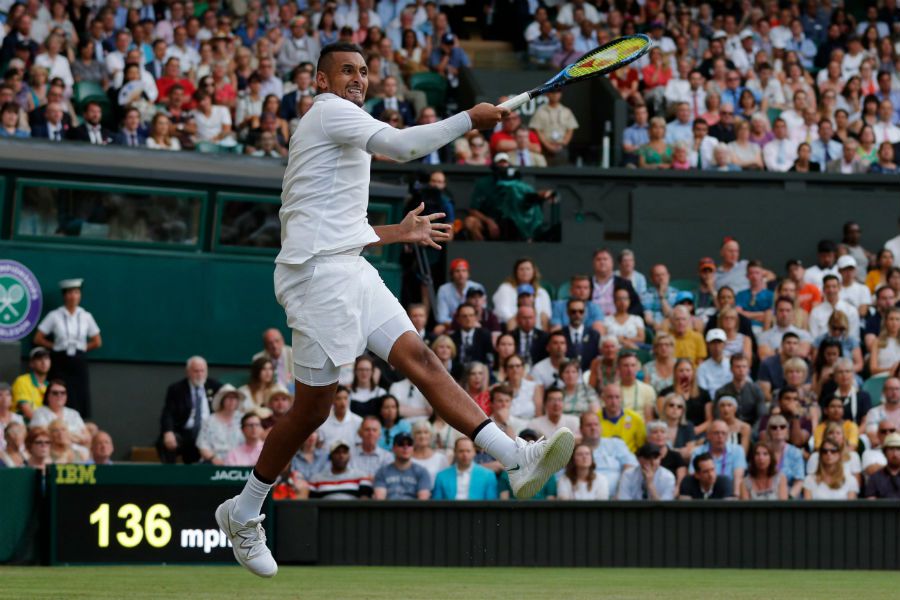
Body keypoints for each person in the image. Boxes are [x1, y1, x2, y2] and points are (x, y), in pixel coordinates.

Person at [217, 43, 574, 577]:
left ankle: (515, 458)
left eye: (364, 71)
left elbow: (332, 221)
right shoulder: (329, 111)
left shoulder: (345, 124)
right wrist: (471, 119)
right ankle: (243, 511)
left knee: (423, 360)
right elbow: (405, 147)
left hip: (350, 267)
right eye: (347, 71)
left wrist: (394, 232)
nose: (358, 79)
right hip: (317, 280)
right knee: (312, 410)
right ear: (320, 80)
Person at [33, 278, 101, 418]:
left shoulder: (86, 316)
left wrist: (82, 348)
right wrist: (54, 346)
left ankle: (78, 423)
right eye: (70, 293)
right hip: (60, 360)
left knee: (79, 394)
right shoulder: (55, 315)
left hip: (78, 361)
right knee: (59, 390)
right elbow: (38, 338)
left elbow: (97, 341)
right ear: (64, 296)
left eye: (76, 292)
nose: (73, 296)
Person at [158, 356, 223, 465]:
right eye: (196, 371)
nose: (200, 374)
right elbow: (168, 413)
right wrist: (168, 432)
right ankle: (169, 476)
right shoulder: (176, 389)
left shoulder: (216, 387)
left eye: (202, 371)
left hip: (209, 433)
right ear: (188, 372)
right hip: (184, 432)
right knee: (167, 442)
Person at [689, 420, 747, 495]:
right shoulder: (698, 452)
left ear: (728, 436)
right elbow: (693, 474)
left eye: (724, 433)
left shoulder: (737, 450)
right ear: (708, 435)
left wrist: (735, 495)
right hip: (704, 492)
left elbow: (738, 477)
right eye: (716, 433)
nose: (720, 436)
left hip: (728, 492)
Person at [432, 438, 498, 500]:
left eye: (468, 451)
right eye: (461, 451)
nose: (465, 454)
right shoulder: (441, 476)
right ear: (455, 452)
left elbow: (491, 504)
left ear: (474, 452)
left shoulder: (488, 476)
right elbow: (436, 505)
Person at [306, 439, 374, 500]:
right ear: (330, 456)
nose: (341, 456)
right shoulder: (316, 479)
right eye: (337, 452)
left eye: (344, 452)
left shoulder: (361, 477)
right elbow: (312, 504)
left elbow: (365, 502)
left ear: (349, 456)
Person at [29, 380, 90, 446]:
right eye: (55, 393)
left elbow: (87, 438)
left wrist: (62, 435)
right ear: (47, 396)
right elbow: (42, 435)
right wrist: (76, 437)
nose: (59, 395)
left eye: (63, 393)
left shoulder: (74, 413)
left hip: (78, 452)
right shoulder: (39, 413)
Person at [373, 432, 432, 500]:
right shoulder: (382, 472)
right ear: (394, 448)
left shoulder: (422, 472)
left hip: (414, 510)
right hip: (389, 509)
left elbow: (423, 501)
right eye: (401, 444)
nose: (405, 447)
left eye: (409, 444)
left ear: (413, 448)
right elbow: (380, 500)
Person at [196, 385, 245, 465]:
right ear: (222, 400)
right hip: (214, 463)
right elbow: (202, 445)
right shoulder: (209, 420)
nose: (232, 401)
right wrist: (214, 459)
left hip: (241, 462)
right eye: (228, 398)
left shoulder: (244, 419)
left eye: (235, 398)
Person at [435, 258, 483, 329]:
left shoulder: (477, 287)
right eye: (457, 271)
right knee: (439, 329)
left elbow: (482, 311)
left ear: (468, 273)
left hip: (473, 322)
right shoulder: (444, 289)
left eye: (464, 271)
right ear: (452, 274)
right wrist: (461, 323)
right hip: (452, 324)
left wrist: (471, 322)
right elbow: (441, 318)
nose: (461, 274)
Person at [599, 382, 646, 453]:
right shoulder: (595, 419)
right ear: (603, 398)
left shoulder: (636, 418)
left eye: (617, 397)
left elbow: (642, 446)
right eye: (610, 397)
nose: (614, 401)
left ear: (622, 398)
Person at [12, 347, 51, 421]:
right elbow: (27, 411)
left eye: (46, 358)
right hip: (23, 424)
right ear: (31, 364)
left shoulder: (50, 386)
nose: (44, 362)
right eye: (39, 359)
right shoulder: (22, 381)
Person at [863, 433, 900, 499]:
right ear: (884, 452)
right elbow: (870, 504)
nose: (895, 453)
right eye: (891, 449)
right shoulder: (875, 478)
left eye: (898, 449)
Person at [696, 328, 732, 396]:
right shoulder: (702, 368)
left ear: (725, 344)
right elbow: (703, 391)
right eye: (713, 343)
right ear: (707, 345)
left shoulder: (732, 365)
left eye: (719, 342)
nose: (716, 346)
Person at [869, 308, 900, 376]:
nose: (894, 322)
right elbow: (873, 369)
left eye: (897, 319)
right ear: (886, 321)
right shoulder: (877, 342)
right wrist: (891, 370)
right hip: (882, 377)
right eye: (891, 319)